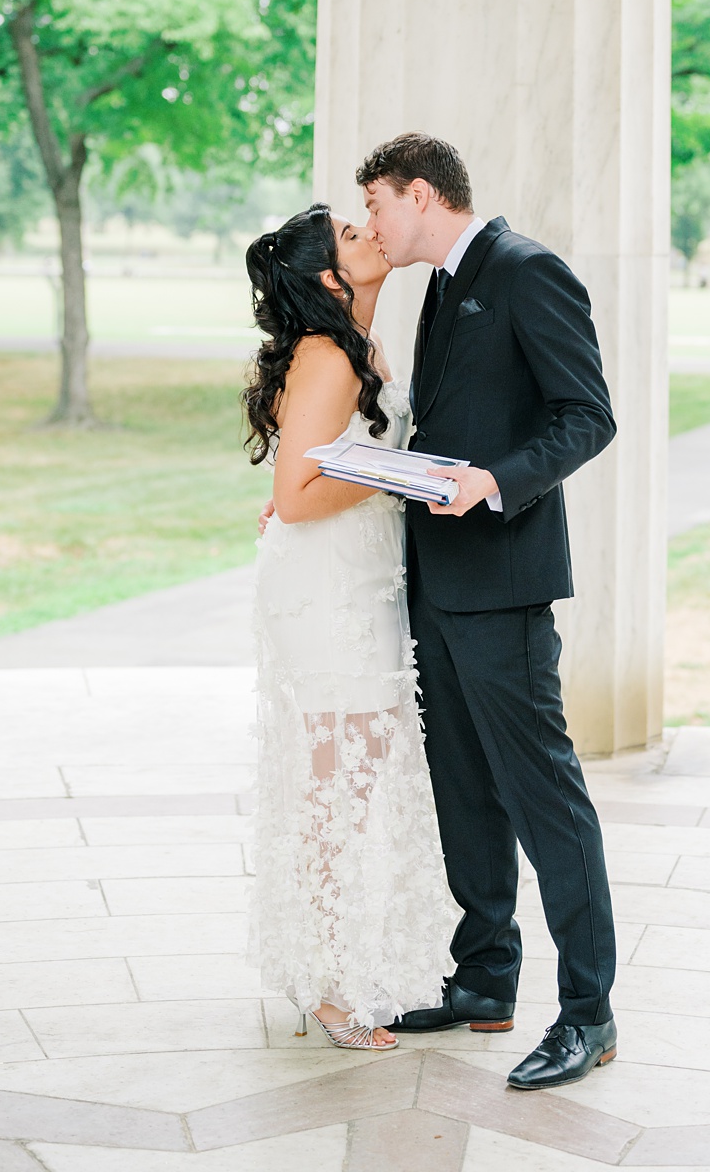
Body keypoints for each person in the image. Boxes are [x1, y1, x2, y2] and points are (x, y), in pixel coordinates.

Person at [358, 132, 622, 1092]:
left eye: (380, 205)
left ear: (421, 195)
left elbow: (586, 415)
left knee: (543, 795)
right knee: (463, 785)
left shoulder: (527, 271)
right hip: (437, 580)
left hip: (504, 581)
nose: (376, 225)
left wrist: (492, 484)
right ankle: (485, 981)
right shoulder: (439, 288)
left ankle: (589, 1013)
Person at [243, 204, 458, 1050]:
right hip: (327, 595)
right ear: (332, 279)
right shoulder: (330, 354)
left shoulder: (356, 349)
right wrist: (402, 474)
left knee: (347, 784)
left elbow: (315, 462)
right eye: (347, 234)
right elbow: (298, 498)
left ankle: (325, 966)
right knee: (338, 793)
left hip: (359, 582)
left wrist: (375, 472)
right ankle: (330, 989)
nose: (367, 233)